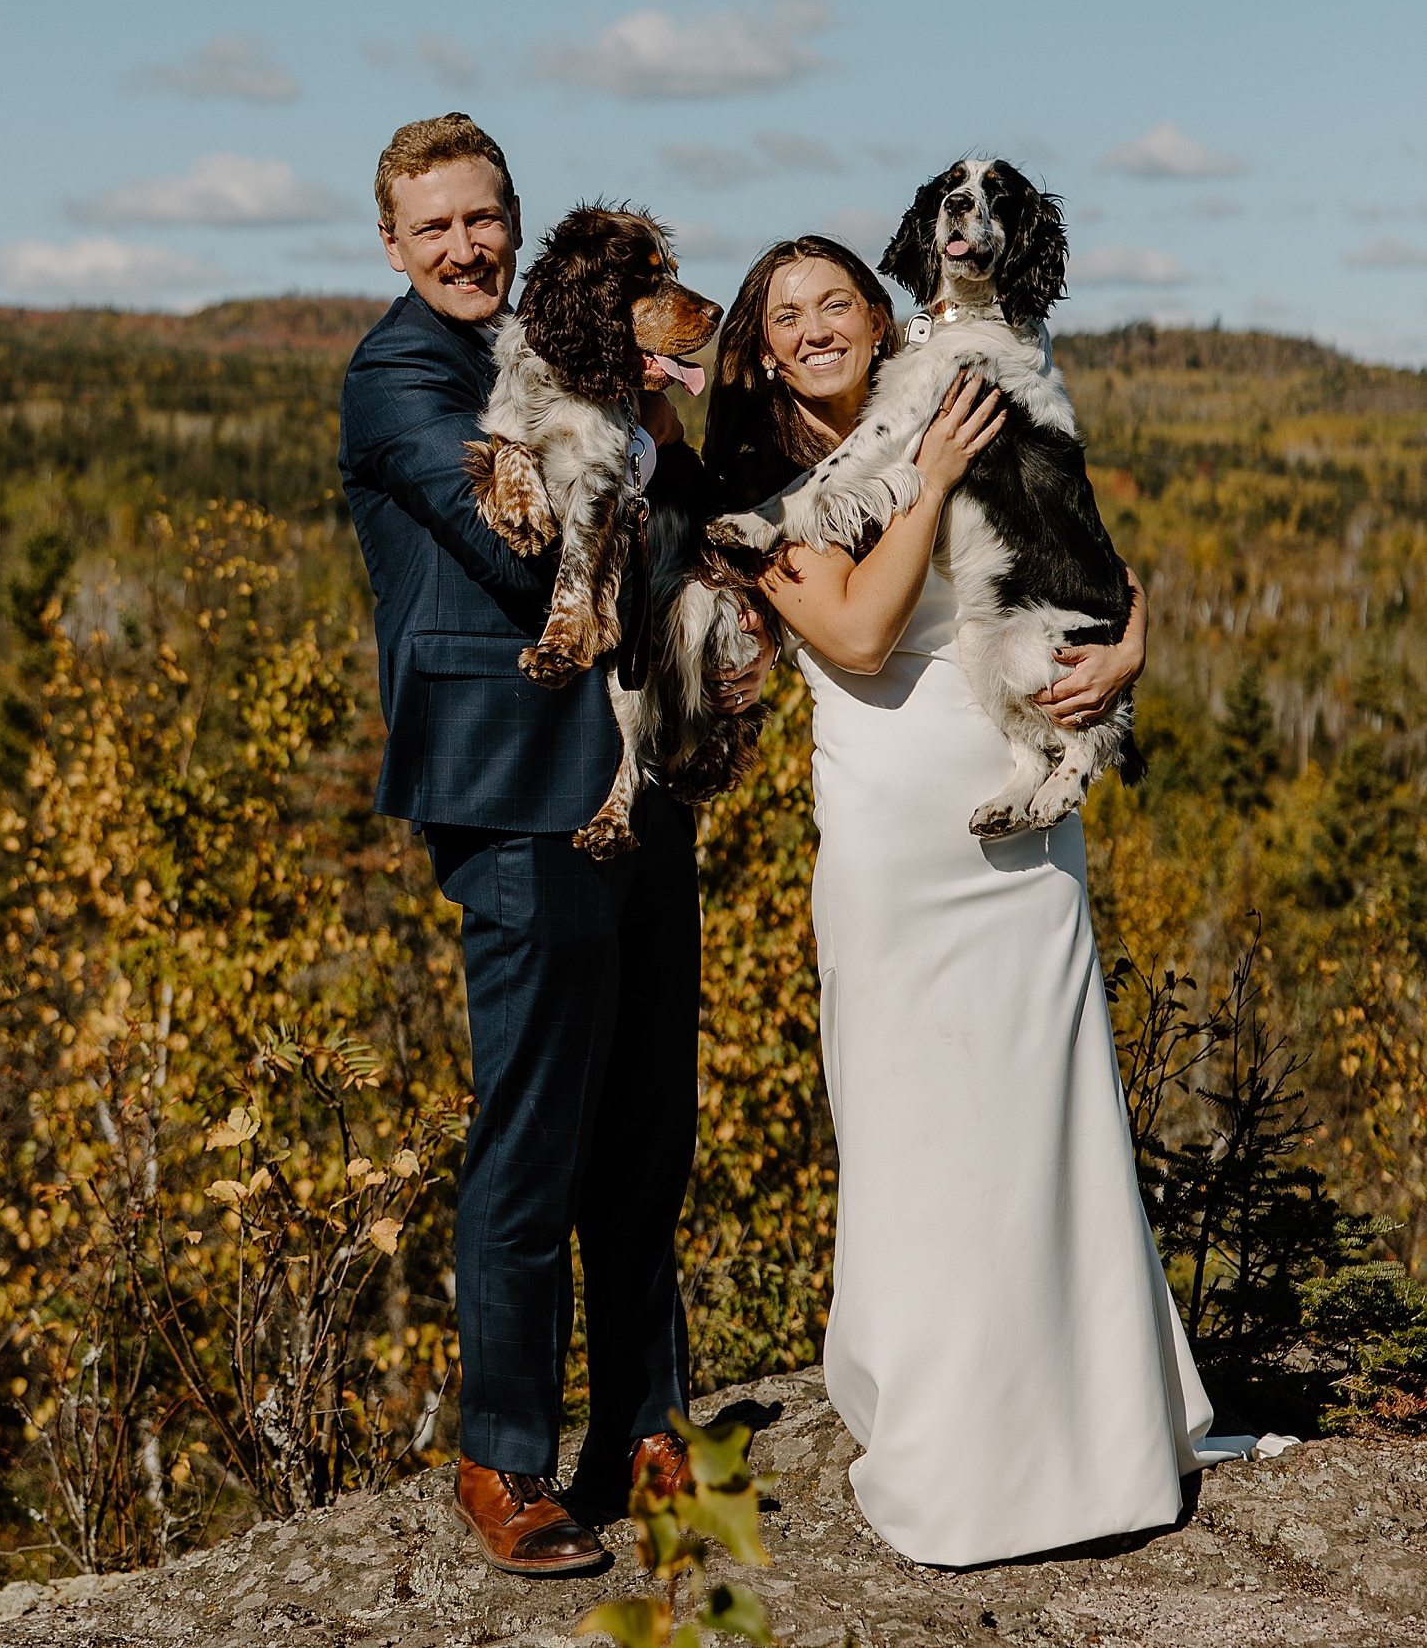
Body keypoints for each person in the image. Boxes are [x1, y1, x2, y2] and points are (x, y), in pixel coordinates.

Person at [703, 235, 1215, 1569]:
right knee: (923, 1134)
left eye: (836, 302)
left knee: (1045, 1116)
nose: (816, 327)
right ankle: (954, 1450)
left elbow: (1084, 538)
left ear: (878, 317)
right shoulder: (756, 488)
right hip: (888, 847)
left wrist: (1134, 641)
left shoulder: (966, 393)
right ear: (757, 349)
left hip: (1020, 827)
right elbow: (864, 631)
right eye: (786, 315)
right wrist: (928, 475)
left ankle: (1100, 1437)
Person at [338, 115, 771, 1575]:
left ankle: (643, 1426)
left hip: (643, 783)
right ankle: (503, 1453)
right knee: (534, 1127)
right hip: (517, 792)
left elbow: (699, 519)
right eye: (435, 226)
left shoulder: (598, 364)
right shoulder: (398, 376)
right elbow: (517, 546)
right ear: (393, 244)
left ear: (516, 225)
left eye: (486, 218)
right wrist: (635, 429)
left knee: (650, 1117)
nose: (466, 246)